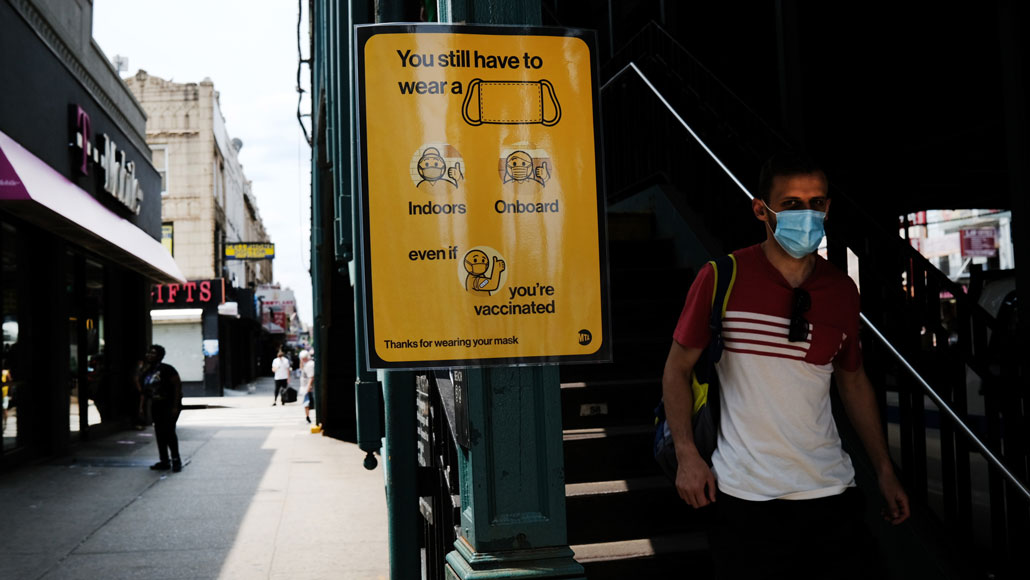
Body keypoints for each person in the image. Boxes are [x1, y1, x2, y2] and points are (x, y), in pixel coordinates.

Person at [661, 153, 910, 579]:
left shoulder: (841, 289)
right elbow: (676, 370)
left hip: (832, 490)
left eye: (816, 203)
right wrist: (687, 455)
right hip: (745, 498)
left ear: (828, 208)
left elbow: (852, 382)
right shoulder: (723, 276)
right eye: (792, 204)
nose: (807, 214)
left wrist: (884, 470)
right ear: (761, 209)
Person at [140, 345, 183, 472]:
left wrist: (176, 405)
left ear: (160, 356)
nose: (149, 355)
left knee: (169, 431)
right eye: (148, 353)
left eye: (153, 353)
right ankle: (164, 460)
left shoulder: (167, 369)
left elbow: (177, 386)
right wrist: (141, 408)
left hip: (169, 404)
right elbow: (144, 391)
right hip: (156, 404)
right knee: (159, 432)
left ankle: (176, 459)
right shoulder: (147, 372)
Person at [299, 350, 315, 423]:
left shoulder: (309, 364)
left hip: (307, 388)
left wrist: (308, 388)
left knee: (307, 403)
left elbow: (311, 377)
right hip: (305, 387)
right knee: (306, 403)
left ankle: (308, 417)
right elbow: (301, 368)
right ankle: (307, 416)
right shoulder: (306, 364)